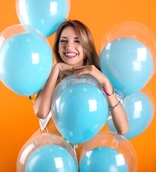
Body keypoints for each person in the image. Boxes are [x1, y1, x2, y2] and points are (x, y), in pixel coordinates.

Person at [33, 19, 129, 159]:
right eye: (63, 41)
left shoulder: (99, 81)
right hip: (52, 157)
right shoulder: (50, 78)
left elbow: (123, 129)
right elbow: (41, 112)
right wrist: (56, 69)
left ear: (87, 46)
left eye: (77, 41)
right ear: (57, 47)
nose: (69, 46)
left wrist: (105, 82)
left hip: (85, 158)